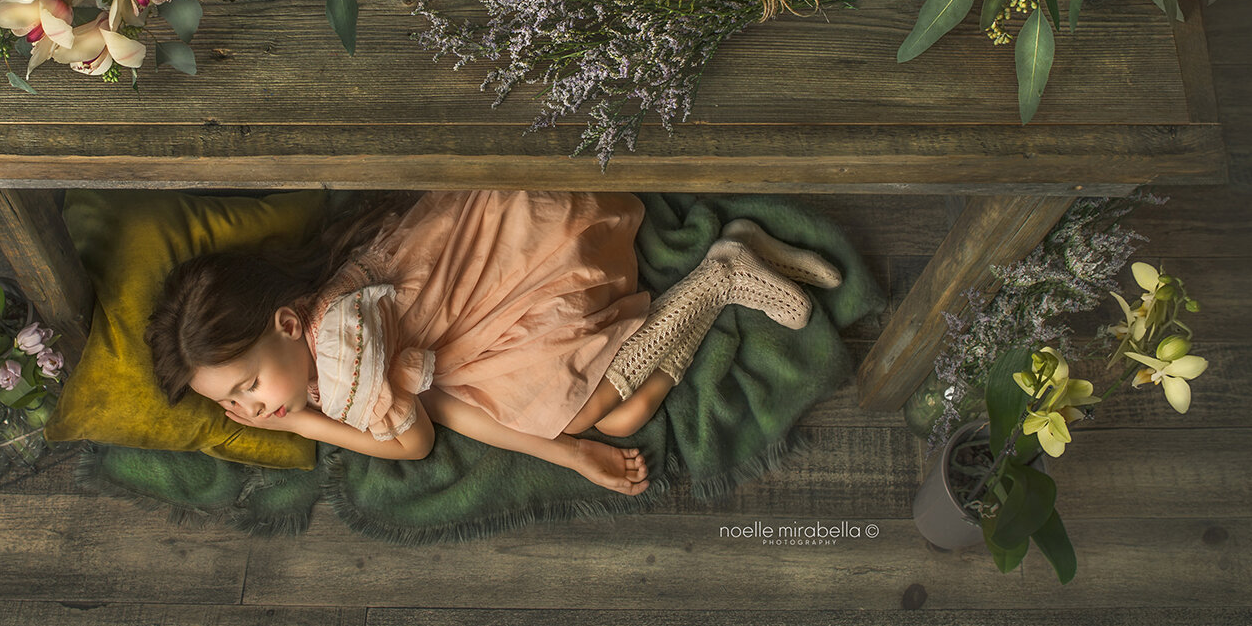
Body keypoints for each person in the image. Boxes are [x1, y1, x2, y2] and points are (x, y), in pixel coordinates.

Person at [146, 190, 841, 495]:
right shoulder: (326, 344)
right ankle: (723, 274)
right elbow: (444, 405)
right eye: (232, 402)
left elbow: (415, 440)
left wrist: (302, 419)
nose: (254, 409)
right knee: (617, 418)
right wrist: (567, 456)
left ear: (288, 325)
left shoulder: (340, 349)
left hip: (529, 250)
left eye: (247, 387)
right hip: (485, 304)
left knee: (592, 412)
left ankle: (718, 274)